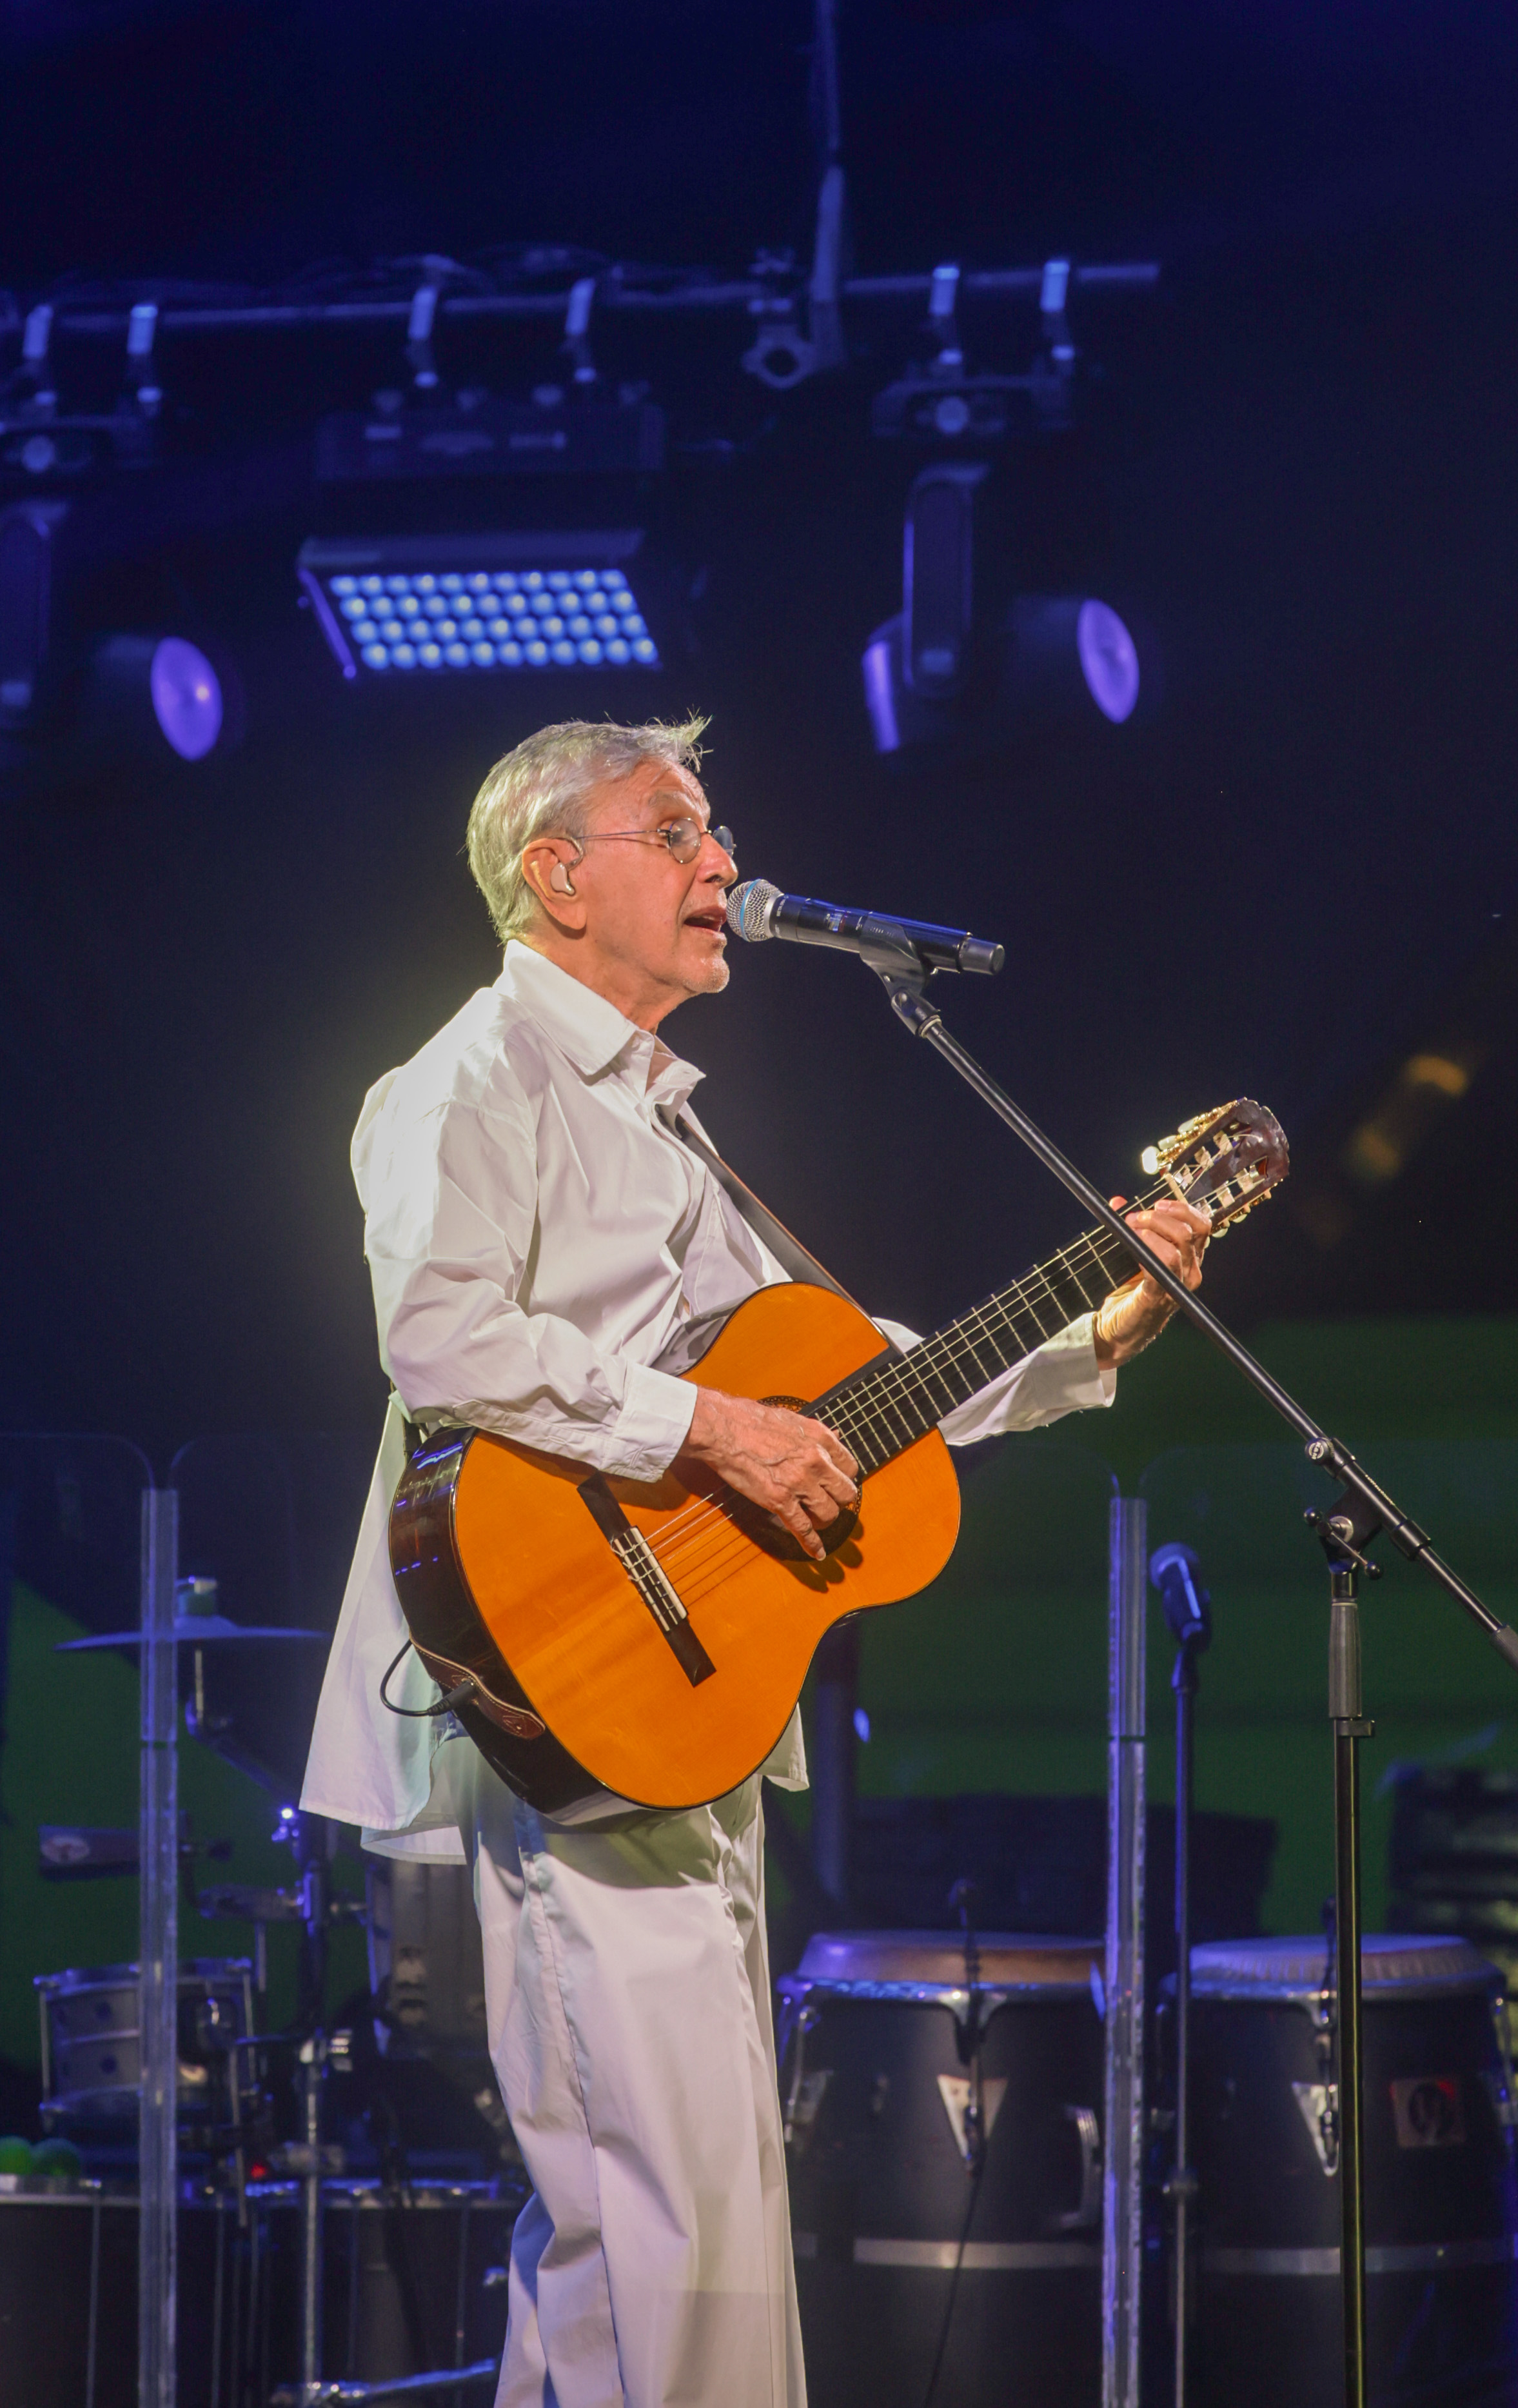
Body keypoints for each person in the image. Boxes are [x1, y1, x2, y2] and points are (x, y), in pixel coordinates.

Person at [302, 715, 1210, 2408]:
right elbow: (442, 1342)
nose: (724, 863)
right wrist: (710, 1435)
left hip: (686, 1698)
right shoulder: (466, 1083)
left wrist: (1085, 1334)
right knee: (672, 2201)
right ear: (559, 876)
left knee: (648, 2222)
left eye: (715, 833)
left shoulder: (664, 1123)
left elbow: (842, 1385)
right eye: (677, 833)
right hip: (568, 1674)